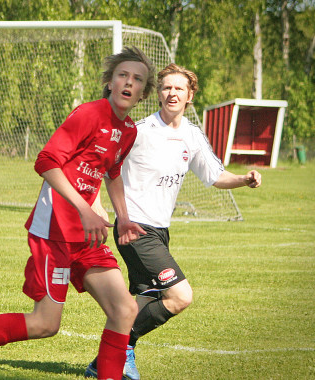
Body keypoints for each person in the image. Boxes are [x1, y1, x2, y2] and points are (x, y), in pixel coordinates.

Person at [0, 46, 156, 380]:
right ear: (110, 82)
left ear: (143, 92)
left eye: (137, 79)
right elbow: (45, 162)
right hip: (54, 231)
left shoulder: (129, 131)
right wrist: (83, 208)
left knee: (124, 309)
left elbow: (111, 173)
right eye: (122, 75)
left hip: (89, 233)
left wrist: (123, 217)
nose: (129, 82)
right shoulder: (88, 113)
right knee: (44, 324)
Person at [83, 63, 262, 380]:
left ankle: (104, 362)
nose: (172, 93)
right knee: (180, 296)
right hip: (133, 228)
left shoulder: (192, 135)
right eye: (166, 87)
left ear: (190, 95)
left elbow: (215, 175)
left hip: (160, 231)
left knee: (146, 298)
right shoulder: (139, 131)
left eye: (179, 88)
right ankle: (121, 349)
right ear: (159, 93)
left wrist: (244, 179)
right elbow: (101, 163)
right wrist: (95, 205)